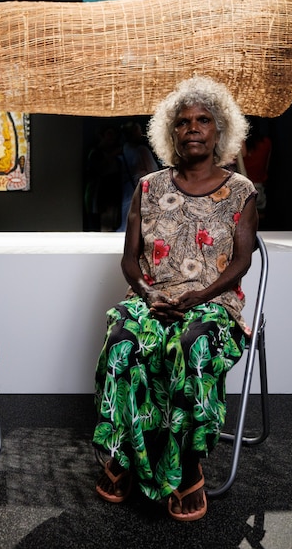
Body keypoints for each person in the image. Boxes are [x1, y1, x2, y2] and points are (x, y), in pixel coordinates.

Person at [92, 75, 257, 522]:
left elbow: (241, 262)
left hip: (213, 304)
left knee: (191, 346)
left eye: (203, 120)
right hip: (151, 297)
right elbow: (129, 260)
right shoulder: (149, 187)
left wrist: (198, 296)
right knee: (125, 339)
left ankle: (187, 466)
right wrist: (147, 294)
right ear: (171, 133)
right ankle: (127, 454)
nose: (193, 129)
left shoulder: (240, 191)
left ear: (220, 130)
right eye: (183, 123)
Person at [117, 120, 159, 231]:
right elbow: (153, 172)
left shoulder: (123, 149)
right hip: (141, 190)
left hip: (127, 190)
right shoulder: (142, 150)